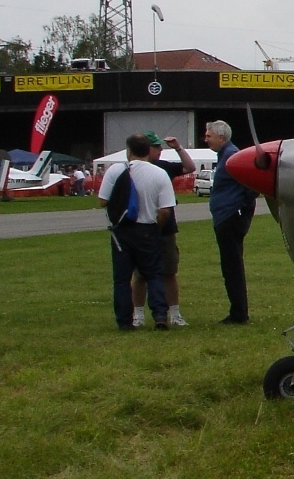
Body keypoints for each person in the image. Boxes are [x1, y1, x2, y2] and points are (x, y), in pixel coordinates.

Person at [99, 134, 176, 331]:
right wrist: (157, 228)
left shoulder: (116, 170)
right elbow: (166, 209)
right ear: (148, 150)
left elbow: (102, 201)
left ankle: (125, 321)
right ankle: (160, 315)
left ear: (129, 151)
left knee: (122, 279)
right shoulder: (159, 174)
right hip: (148, 228)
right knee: (154, 274)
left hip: (122, 230)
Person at [130, 133, 195, 327]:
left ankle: (174, 313)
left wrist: (178, 148)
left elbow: (190, 167)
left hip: (165, 228)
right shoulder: (133, 170)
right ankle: (138, 314)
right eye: (157, 147)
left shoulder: (164, 167)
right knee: (140, 274)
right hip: (143, 226)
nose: (160, 151)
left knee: (169, 270)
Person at [204, 120, 257, 324]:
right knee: (230, 266)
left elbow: (251, 186)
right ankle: (237, 311)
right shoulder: (225, 155)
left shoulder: (232, 156)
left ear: (221, 137)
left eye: (209, 135)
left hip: (230, 217)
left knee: (232, 267)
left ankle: (239, 313)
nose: (206, 139)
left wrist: (241, 213)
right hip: (226, 216)